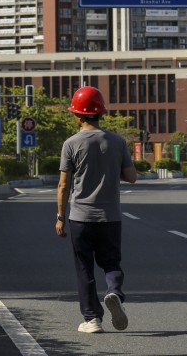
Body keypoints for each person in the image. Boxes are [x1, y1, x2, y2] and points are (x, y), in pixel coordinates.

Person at [56, 86, 138, 334]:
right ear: (101, 113)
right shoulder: (117, 141)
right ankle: (114, 292)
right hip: (110, 217)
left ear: (78, 115)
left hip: (80, 217)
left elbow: (63, 184)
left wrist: (60, 216)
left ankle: (92, 319)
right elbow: (132, 177)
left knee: (84, 267)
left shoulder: (71, 144)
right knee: (111, 262)